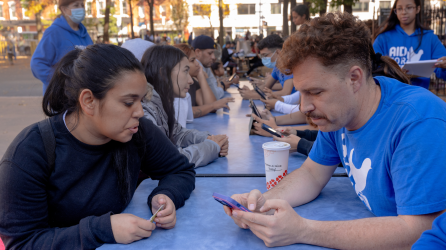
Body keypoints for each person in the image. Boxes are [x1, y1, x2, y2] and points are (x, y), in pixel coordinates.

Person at [223, 12, 446, 249]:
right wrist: (261, 204)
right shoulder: (338, 115)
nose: (304, 107)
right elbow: (311, 174)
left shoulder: (419, 122)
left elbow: (419, 230)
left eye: (316, 92)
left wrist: (302, 230)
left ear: (354, 78)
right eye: (301, 92)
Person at [0, 44, 196, 249]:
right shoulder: (30, 152)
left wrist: (166, 195)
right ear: (88, 101)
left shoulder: (137, 132)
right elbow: (22, 243)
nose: (140, 112)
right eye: (129, 102)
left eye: (142, 100)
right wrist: (102, 229)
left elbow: (180, 170)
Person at [140, 45, 229, 168]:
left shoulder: (159, 103)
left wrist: (209, 138)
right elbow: (168, 159)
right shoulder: (144, 111)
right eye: (185, 71)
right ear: (163, 74)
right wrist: (211, 147)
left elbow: (178, 133)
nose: (191, 80)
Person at [374, 0, 446, 89]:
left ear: (418, 9)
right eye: (399, 9)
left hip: (419, 97)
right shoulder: (383, 38)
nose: (404, 12)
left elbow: (442, 71)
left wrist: (444, 66)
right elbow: (372, 68)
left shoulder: (430, 38)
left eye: (409, 7)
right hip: (391, 95)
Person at [31, 0, 93, 94]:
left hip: (81, 96)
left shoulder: (85, 34)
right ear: (64, 9)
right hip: (60, 99)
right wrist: (61, 82)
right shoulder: (53, 32)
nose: (80, 8)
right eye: (76, 5)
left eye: (82, 5)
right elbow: (37, 64)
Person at [174, 43, 235, 119]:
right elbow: (184, 111)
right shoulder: (174, 84)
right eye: (192, 60)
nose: (197, 64)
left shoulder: (193, 82)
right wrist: (212, 106)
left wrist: (201, 76)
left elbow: (210, 105)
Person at [239, 34, 296, 99]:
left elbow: (285, 92)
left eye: (265, 55)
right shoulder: (277, 66)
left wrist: (252, 95)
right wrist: (250, 92)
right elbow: (266, 86)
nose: (263, 58)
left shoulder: (288, 65)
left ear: (277, 52)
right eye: (261, 56)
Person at [192, 35, 227, 99]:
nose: (213, 57)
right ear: (198, 52)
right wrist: (220, 88)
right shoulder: (197, 68)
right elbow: (214, 97)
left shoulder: (206, 65)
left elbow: (215, 91)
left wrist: (218, 88)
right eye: (210, 53)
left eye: (213, 53)